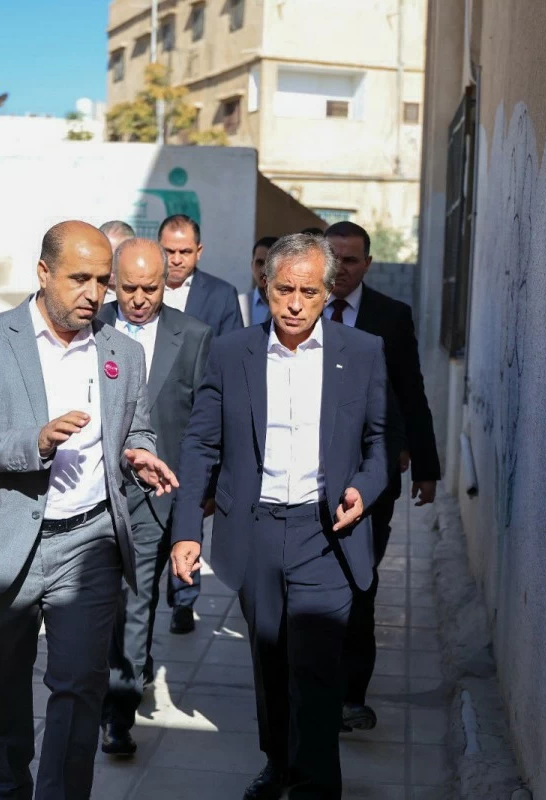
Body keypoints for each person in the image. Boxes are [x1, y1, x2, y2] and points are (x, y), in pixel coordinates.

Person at [0, 220, 179, 800]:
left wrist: (137, 452)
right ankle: (6, 790)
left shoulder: (123, 352)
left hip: (91, 543)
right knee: (0, 689)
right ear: (43, 273)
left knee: (80, 688)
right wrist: (35, 443)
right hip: (6, 540)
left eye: (102, 281)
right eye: (79, 279)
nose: (94, 294)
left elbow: (135, 427)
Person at [170, 233, 394, 800]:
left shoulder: (362, 351)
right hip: (257, 530)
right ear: (265, 286)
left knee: (316, 668)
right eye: (283, 290)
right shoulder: (232, 353)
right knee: (270, 657)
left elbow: (380, 442)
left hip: (327, 532)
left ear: (329, 291)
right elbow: (200, 445)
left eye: (308, 292)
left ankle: (315, 784)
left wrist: (363, 490)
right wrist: (188, 531)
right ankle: (278, 764)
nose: (294, 304)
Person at [95, 238, 213, 757]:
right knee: (102, 604)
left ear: (166, 283)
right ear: (112, 283)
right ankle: (114, 680)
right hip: (94, 490)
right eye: (129, 288)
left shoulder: (194, 336)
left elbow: (203, 424)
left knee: (136, 601)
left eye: (150, 288)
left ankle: (117, 716)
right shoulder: (91, 326)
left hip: (155, 495)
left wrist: (203, 489)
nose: (139, 299)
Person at [323, 220, 441, 732]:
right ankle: (314, 686)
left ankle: (352, 696)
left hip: (374, 473)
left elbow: (411, 391)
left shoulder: (391, 317)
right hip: (311, 473)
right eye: (334, 259)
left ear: (368, 264)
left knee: (361, 581)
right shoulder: (302, 311)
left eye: (351, 261)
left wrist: (425, 465)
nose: (341, 270)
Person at [157, 213, 244, 634]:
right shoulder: (142, 289)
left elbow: (233, 362)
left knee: (188, 510)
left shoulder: (221, 296)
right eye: (169, 251)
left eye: (184, 251)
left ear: (199, 251)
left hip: (197, 423)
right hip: (152, 420)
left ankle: (183, 598)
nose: (176, 259)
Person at [238, 236, 279, 326]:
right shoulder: (239, 304)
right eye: (259, 263)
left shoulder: (292, 305)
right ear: (252, 265)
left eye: (270, 264)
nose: (264, 270)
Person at [99, 220, 135, 301]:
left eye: (118, 256)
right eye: (105, 255)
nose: (112, 263)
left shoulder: (144, 291)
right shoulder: (90, 293)